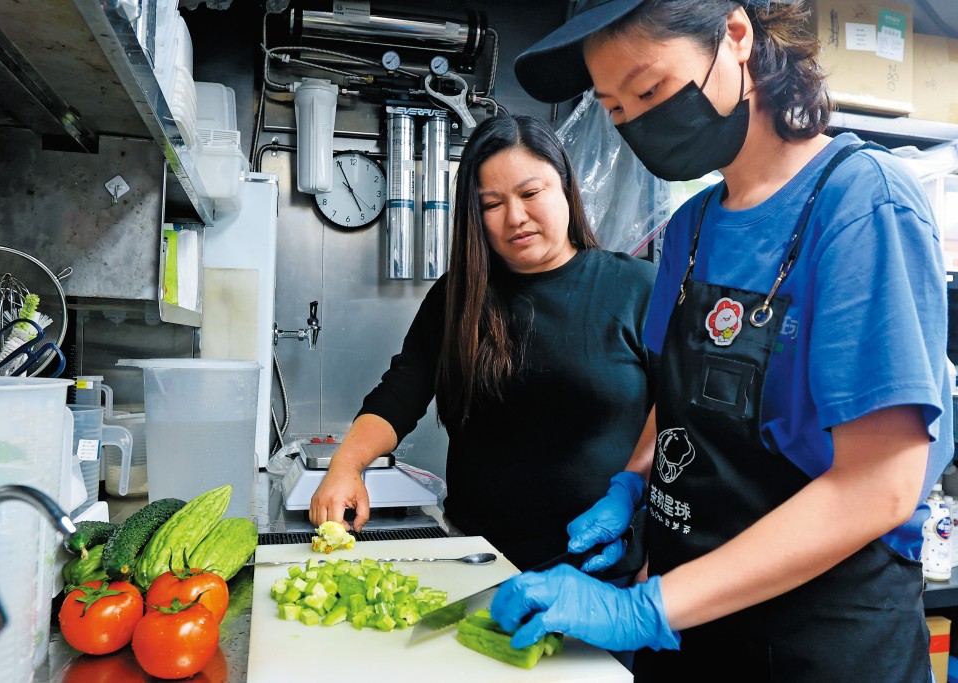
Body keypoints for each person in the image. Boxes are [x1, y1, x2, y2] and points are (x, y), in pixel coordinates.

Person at [492, 1, 954, 680]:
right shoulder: (691, 227)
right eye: (616, 110)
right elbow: (682, 396)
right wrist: (632, 482)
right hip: (696, 626)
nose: (639, 124)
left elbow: (879, 484)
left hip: (818, 640)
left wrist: (642, 609)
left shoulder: (861, 205)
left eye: (649, 91)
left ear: (737, 37)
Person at [309, 113, 658, 571]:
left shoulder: (638, 288)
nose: (515, 217)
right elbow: (401, 392)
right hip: (474, 562)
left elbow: (677, 415)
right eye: (491, 204)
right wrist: (345, 465)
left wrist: (638, 512)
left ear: (566, 186)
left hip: (599, 569)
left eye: (531, 193)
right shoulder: (459, 296)